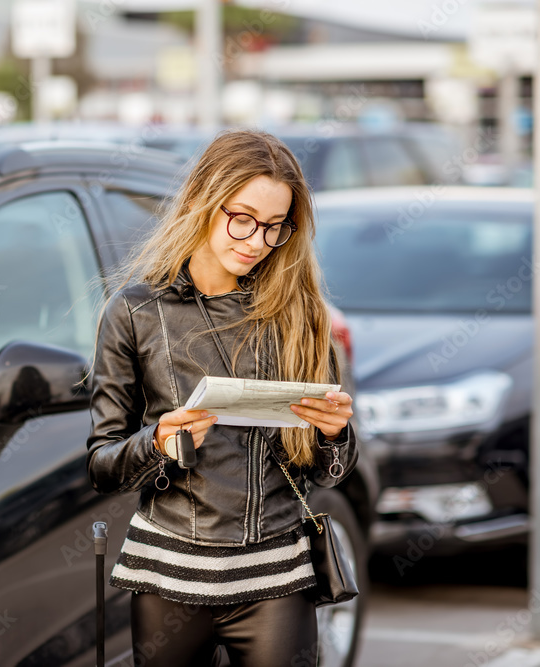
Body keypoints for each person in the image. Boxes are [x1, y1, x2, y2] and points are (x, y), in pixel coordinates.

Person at [85, 128, 358, 666]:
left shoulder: (301, 316)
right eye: (243, 219)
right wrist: (159, 442)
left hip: (277, 576)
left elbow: (331, 473)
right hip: (166, 577)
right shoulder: (135, 312)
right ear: (203, 202)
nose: (256, 241)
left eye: (275, 227)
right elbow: (101, 466)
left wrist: (334, 434)